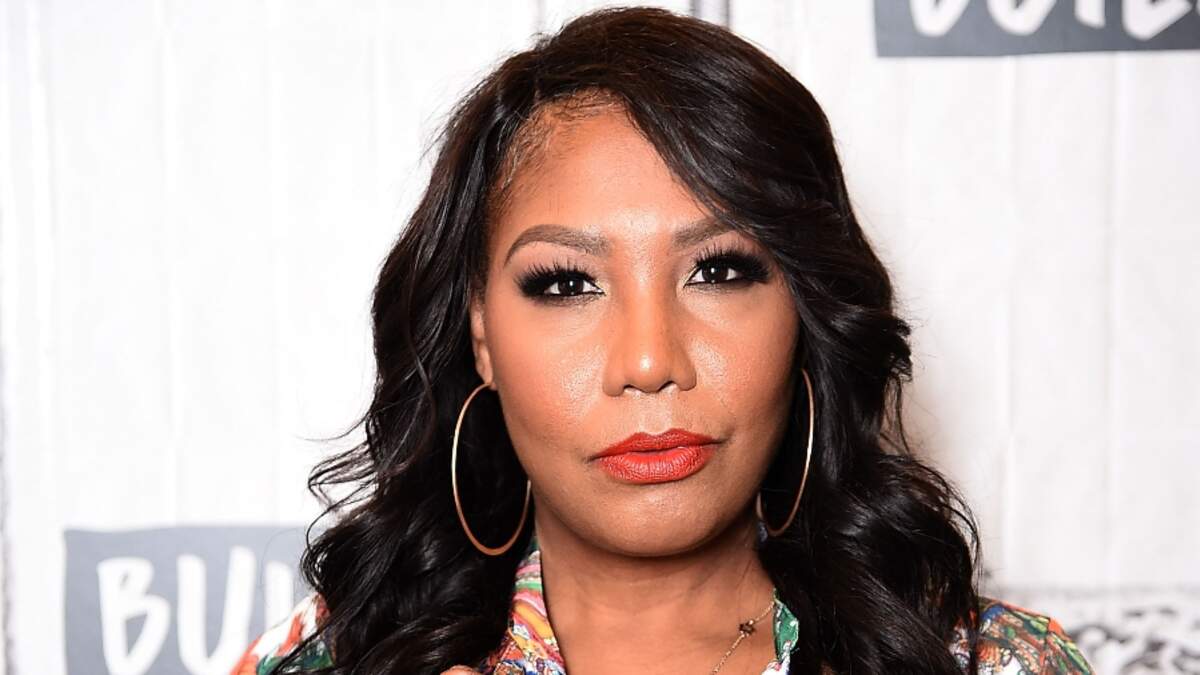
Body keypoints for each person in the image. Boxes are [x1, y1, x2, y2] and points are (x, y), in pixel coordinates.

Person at [232, 6, 1094, 675]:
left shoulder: (991, 662)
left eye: (718, 271)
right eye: (566, 283)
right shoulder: (332, 661)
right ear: (481, 334)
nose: (649, 361)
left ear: (806, 311)